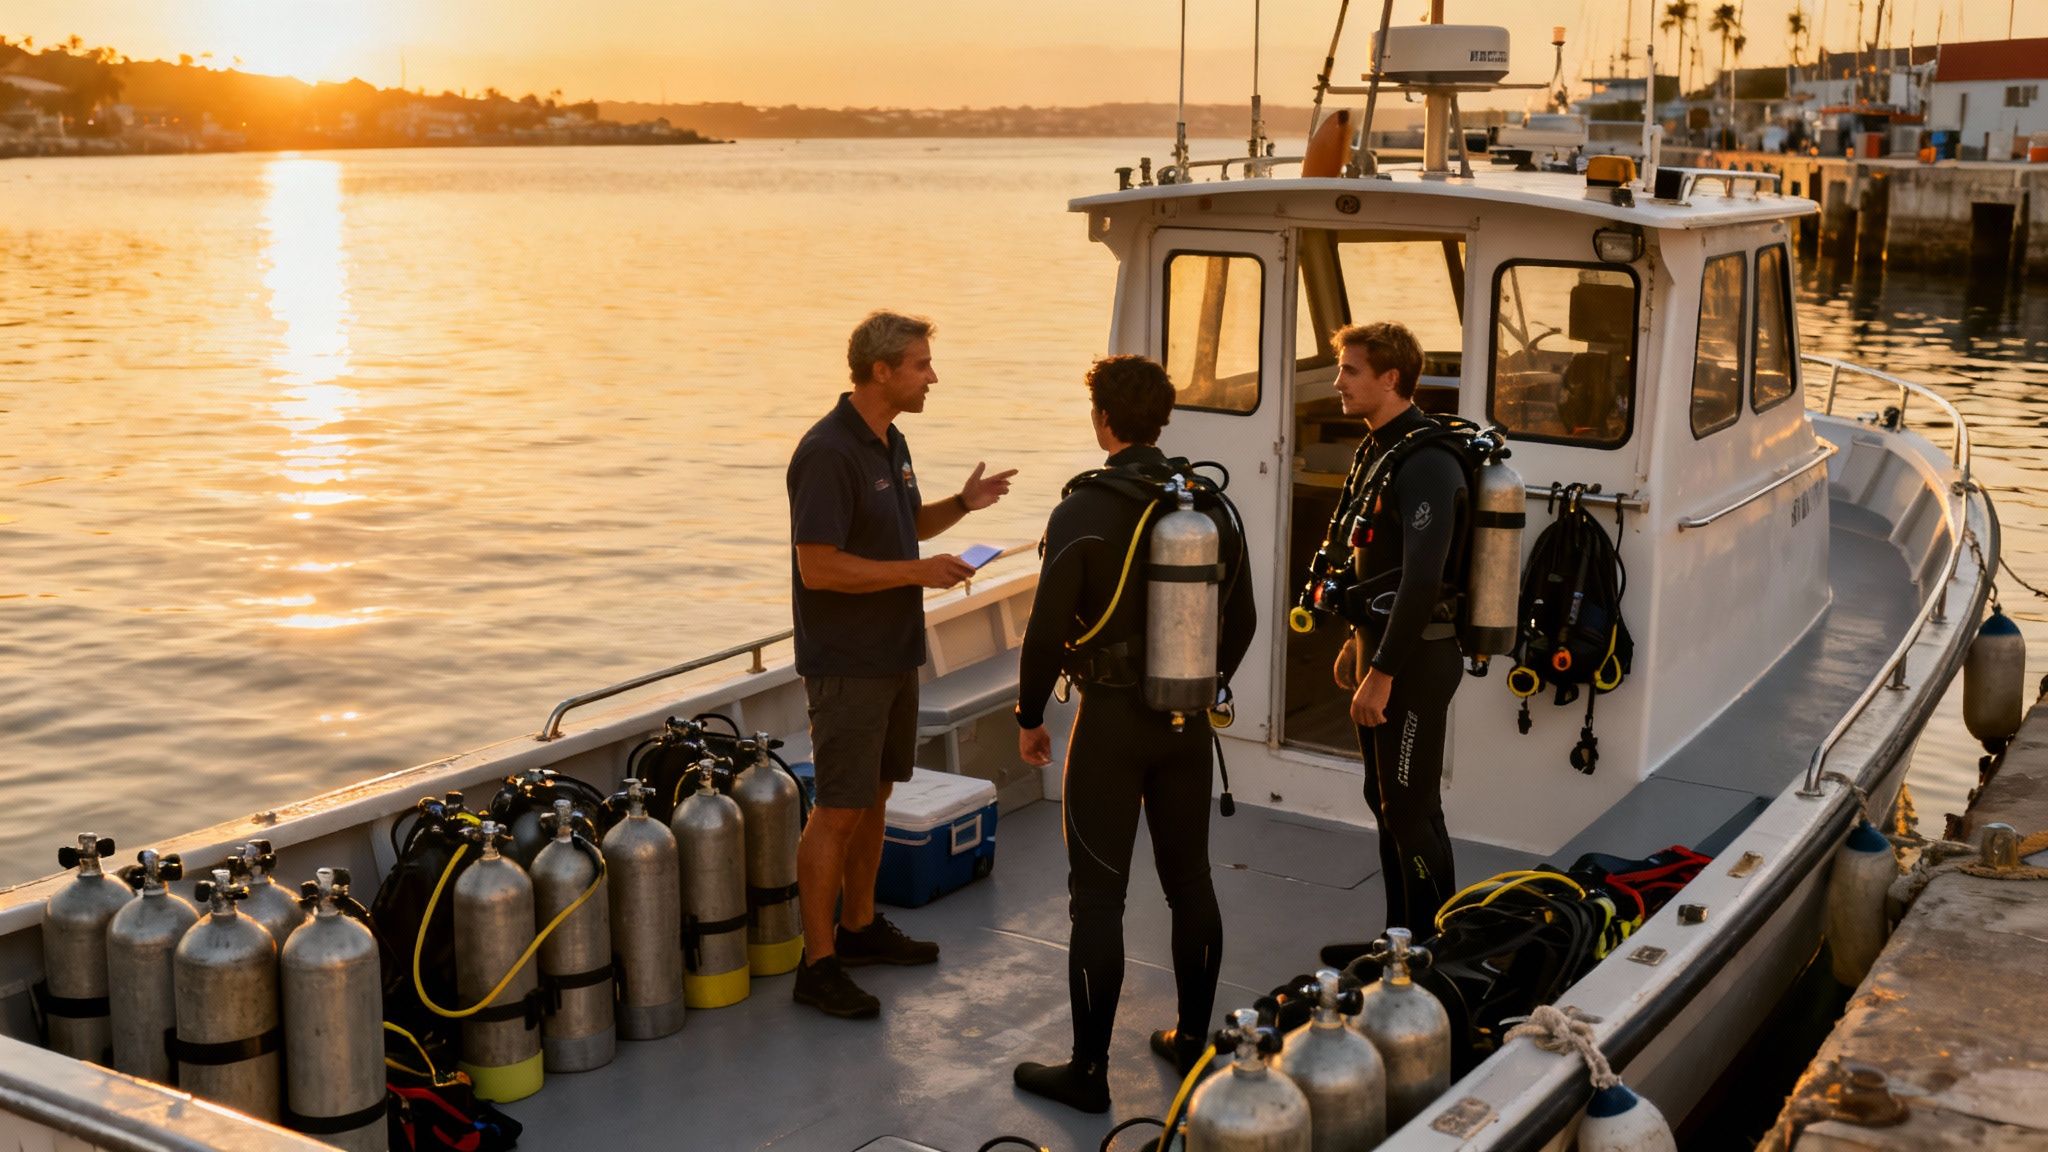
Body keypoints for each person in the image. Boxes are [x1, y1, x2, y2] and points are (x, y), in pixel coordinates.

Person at [1010, 355, 1256, 1113]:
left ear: (1104, 422)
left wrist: (1028, 719)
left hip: (1111, 722)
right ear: (1164, 420)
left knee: (1098, 901)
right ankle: (1192, 1039)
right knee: (1191, 886)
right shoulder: (1207, 505)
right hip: (1184, 724)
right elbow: (1240, 621)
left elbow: (1046, 633)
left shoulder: (1082, 511)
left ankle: (1088, 1073)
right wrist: (1201, 685)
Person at [785, 310, 1015, 1019]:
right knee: (838, 810)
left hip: (893, 653)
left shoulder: (891, 440)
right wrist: (915, 575)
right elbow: (818, 567)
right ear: (881, 371)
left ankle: (858, 928)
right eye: (920, 365)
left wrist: (961, 506)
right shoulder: (826, 452)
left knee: (877, 795)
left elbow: (901, 526)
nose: (931, 376)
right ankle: (816, 964)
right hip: (848, 660)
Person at [1320, 321, 1468, 966]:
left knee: (1409, 809)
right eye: (1342, 369)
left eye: (1352, 371)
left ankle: (1433, 952)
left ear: (1391, 379)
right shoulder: (1381, 447)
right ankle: (1398, 939)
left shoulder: (1427, 462)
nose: (1339, 382)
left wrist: (1381, 671)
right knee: (1386, 801)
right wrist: (1358, 645)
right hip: (1382, 649)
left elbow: (1423, 577)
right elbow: (1372, 564)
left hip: (1415, 659)